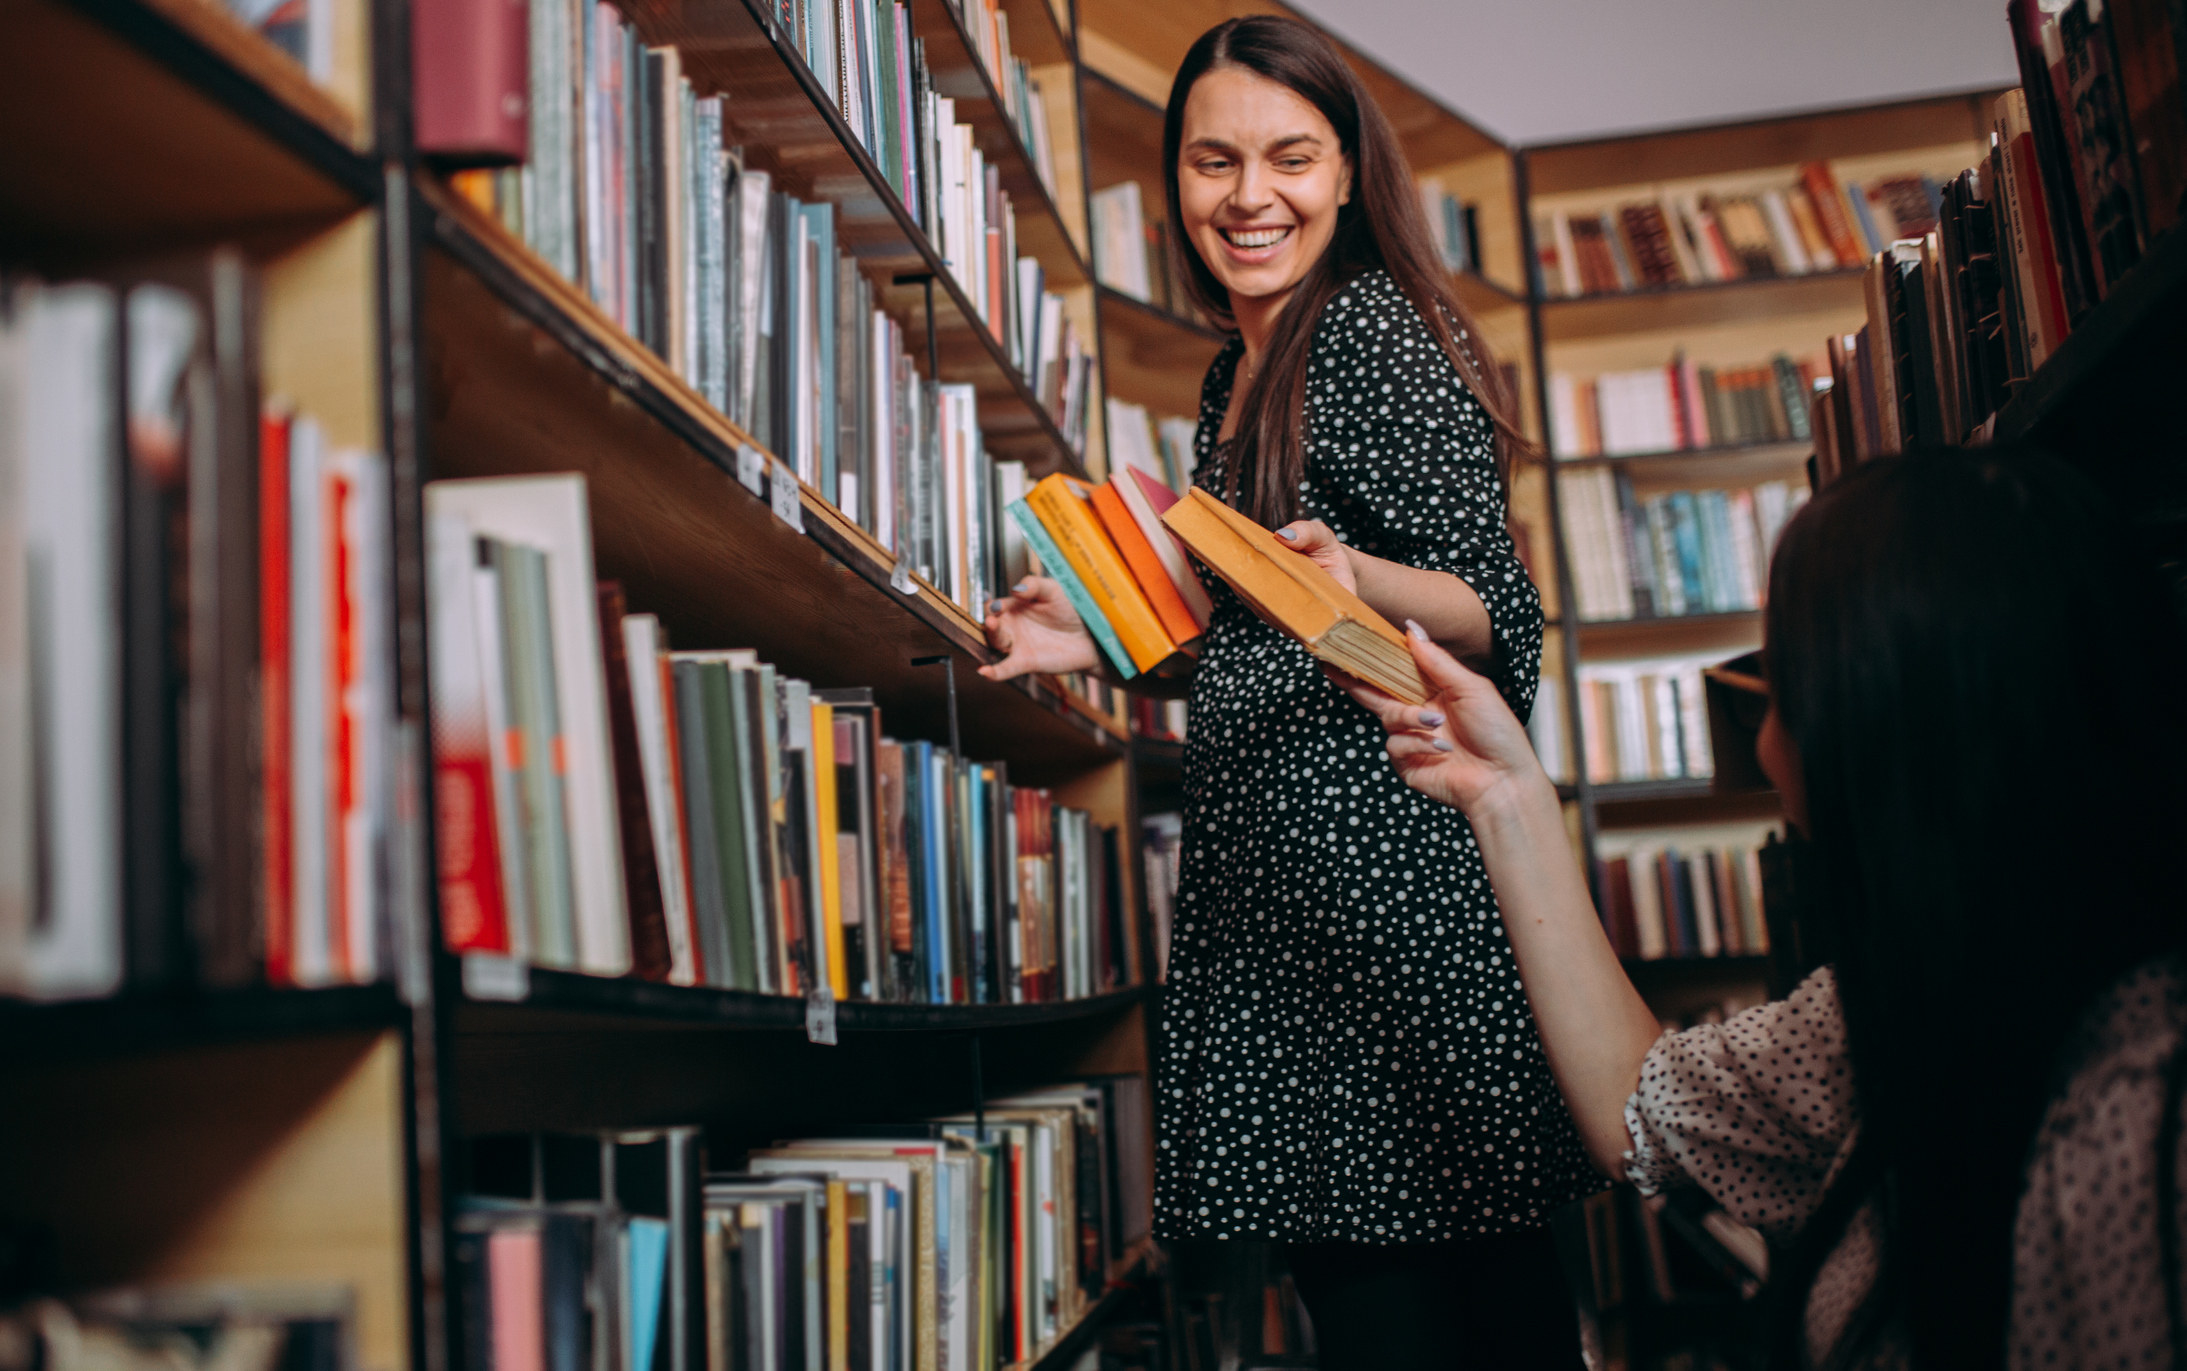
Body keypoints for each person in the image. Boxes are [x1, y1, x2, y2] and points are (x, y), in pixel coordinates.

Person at [982, 14, 1598, 1365]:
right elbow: (1269, 626)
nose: (1248, 196)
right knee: (1376, 1319)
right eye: (1213, 161)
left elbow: (1498, 612)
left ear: (1344, 172)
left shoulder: (1369, 327)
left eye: (1288, 158)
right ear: (1176, 178)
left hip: (1398, 930)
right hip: (1292, 940)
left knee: (1456, 1326)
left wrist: (1357, 570)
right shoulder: (1232, 370)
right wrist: (1100, 636)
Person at [1333, 447, 2187, 1369]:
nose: (1765, 744)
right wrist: (1507, 794)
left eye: (1782, 692)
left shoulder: (2141, 1125)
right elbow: (1639, 1107)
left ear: (1888, 733)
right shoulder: (1870, 1015)